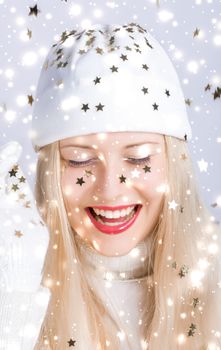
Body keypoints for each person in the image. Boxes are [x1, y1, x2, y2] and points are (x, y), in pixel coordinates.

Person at [1, 22, 221, 349]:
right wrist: (13, 302)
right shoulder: (19, 281)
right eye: (78, 160)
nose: (110, 190)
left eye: (139, 158)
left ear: (175, 166)